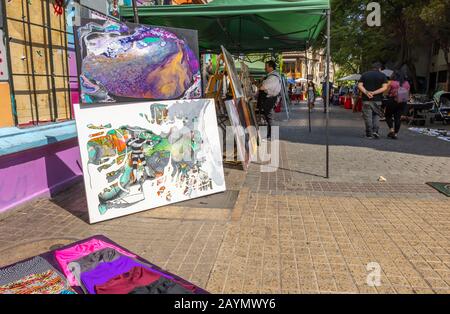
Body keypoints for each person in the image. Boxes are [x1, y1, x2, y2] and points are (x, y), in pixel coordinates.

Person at [358, 62, 389, 139]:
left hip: (366, 100)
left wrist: (366, 92)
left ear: (372, 68)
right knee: (376, 116)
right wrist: (374, 93)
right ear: (380, 68)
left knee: (368, 117)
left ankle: (369, 134)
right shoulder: (383, 75)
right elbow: (385, 87)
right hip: (378, 100)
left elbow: (359, 85)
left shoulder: (365, 74)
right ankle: (375, 132)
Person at [258, 60, 282, 140]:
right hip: (270, 98)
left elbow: (262, 87)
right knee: (268, 118)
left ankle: (273, 136)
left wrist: (261, 82)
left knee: (270, 117)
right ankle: (270, 135)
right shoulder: (272, 76)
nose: (265, 68)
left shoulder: (273, 77)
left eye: (266, 66)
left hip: (270, 99)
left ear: (271, 67)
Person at [385, 71, 411, 139]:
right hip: (402, 102)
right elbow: (408, 93)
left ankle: (391, 130)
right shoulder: (407, 83)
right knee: (398, 118)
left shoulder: (391, 82)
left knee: (388, 115)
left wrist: (388, 94)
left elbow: (386, 92)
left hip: (393, 101)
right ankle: (396, 134)